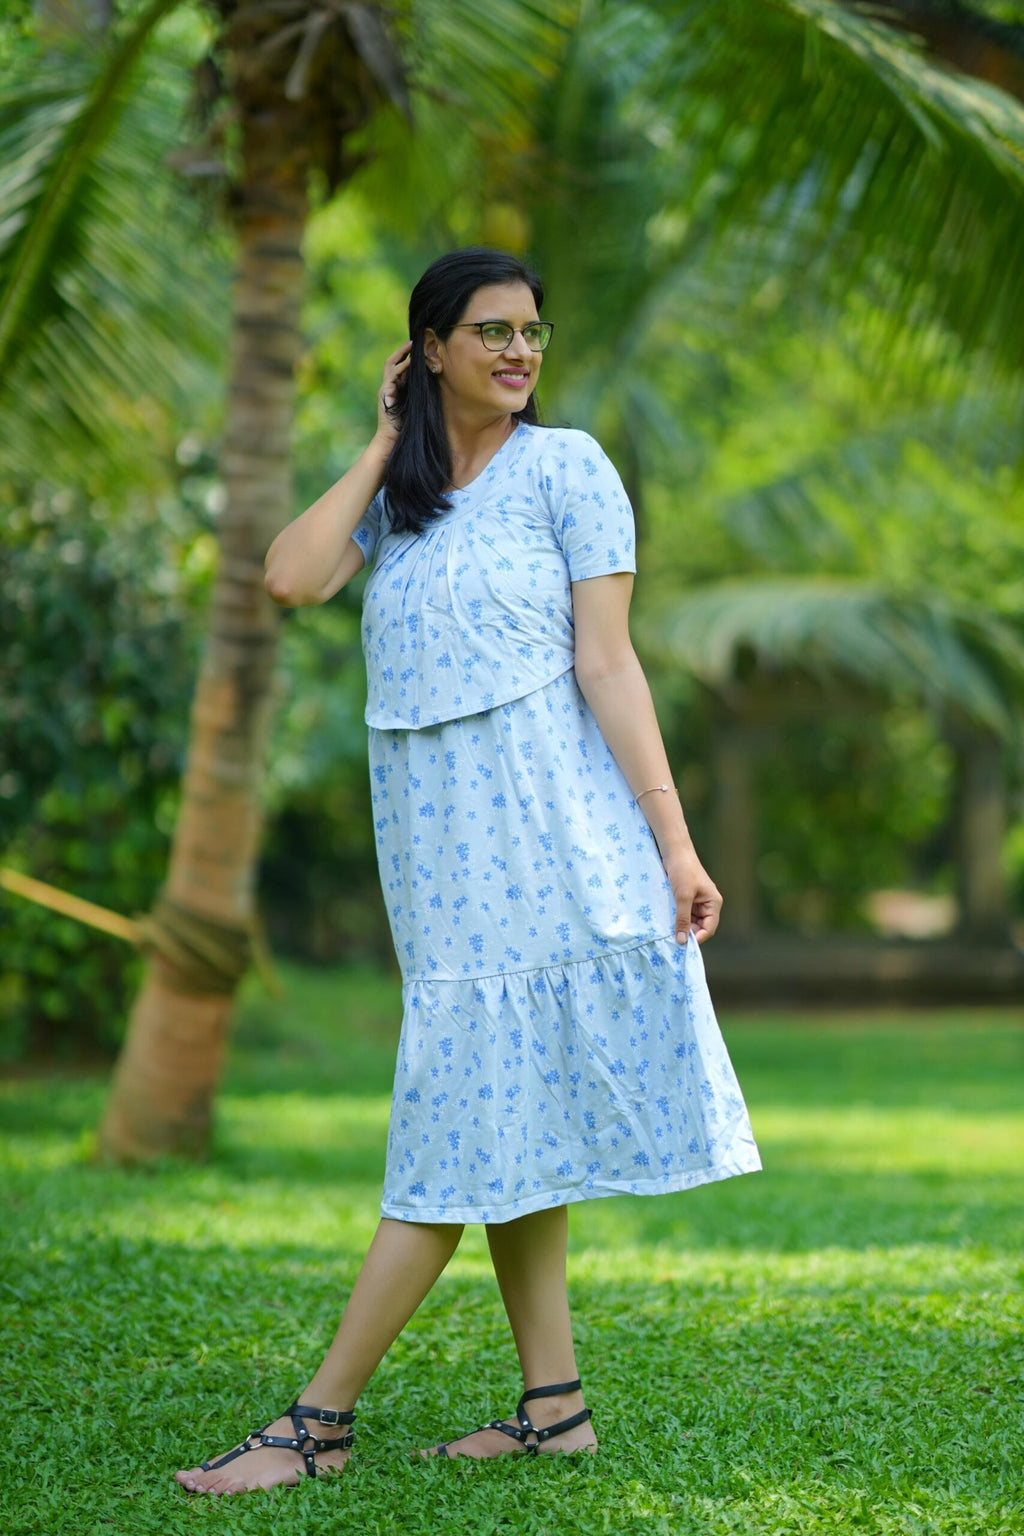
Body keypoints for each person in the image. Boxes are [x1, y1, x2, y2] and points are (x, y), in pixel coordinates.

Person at [176, 247, 761, 1495]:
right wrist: (385, 442)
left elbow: (608, 665)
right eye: (490, 330)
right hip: (442, 863)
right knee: (507, 1124)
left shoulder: (570, 469)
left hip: (548, 838)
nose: (518, 351)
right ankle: (553, 1410)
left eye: (532, 332)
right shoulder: (404, 500)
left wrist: (673, 840)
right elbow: (288, 575)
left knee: (461, 1129)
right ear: (428, 346)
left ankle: (314, 1424)